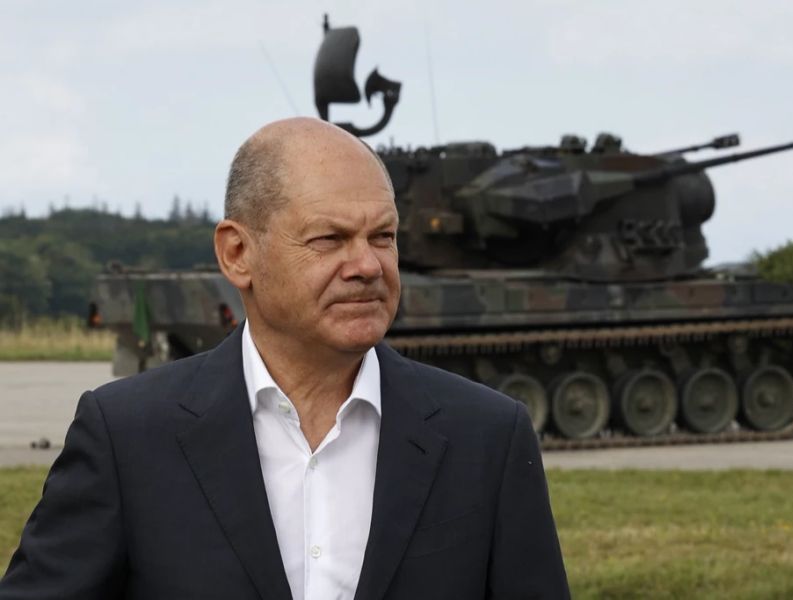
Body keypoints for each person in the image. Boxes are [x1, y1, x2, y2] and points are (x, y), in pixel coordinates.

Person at [0, 118, 570, 599]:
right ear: (238, 253)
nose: (367, 265)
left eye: (383, 237)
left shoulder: (488, 438)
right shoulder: (127, 438)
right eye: (328, 239)